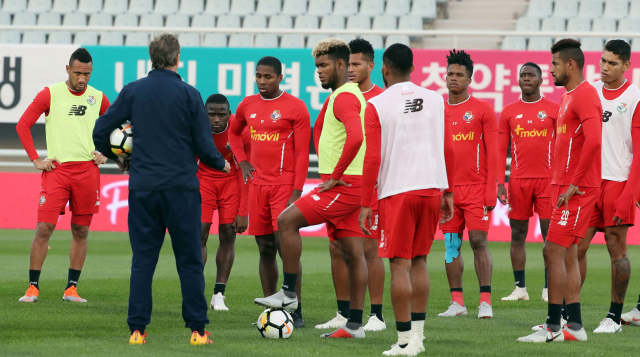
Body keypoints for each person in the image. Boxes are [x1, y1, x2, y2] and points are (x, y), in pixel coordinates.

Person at [93, 33, 230, 346]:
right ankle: (198, 330)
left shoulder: (133, 91)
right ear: (178, 57)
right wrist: (220, 163)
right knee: (190, 261)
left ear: (150, 57)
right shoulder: (189, 94)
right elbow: (203, 144)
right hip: (182, 189)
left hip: (143, 188)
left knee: (143, 261)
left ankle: (137, 331)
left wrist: (118, 158)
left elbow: (101, 130)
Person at [255, 37, 370, 339]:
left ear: (342, 65)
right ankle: (355, 325)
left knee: (285, 221)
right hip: (351, 184)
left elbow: (357, 137)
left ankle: (289, 293)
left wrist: (336, 175)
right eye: (317, 66)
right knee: (352, 253)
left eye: (324, 65)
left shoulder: (344, 96)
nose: (319, 71)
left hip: (343, 185)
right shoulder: (346, 95)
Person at [359, 43, 456, 356]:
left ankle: (403, 342)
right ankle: (417, 337)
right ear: (413, 68)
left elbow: (372, 157)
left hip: (397, 192)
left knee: (399, 265)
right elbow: (449, 149)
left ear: (384, 69)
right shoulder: (435, 99)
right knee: (419, 262)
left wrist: (364, 202)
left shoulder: (377, 104)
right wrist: (448, 190)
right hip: (430, 189)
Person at [518, 38, 602, 343]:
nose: (549, 69)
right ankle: (574, 326)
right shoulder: (569, 96)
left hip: (576, 189)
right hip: (563, 186)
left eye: (554, 64)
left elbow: (594, 141)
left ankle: (553, 327)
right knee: (566, 255)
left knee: (552, 250)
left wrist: (575, 183)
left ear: (570, 64)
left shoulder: (586, 95)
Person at [16, 48, 110, 304]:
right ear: (68, 70)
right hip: (57, 171)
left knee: (81, 230)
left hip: (87, 172)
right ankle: (32, 287)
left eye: (87, 74)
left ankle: (71, 289)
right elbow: (23, 124)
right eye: (78, 73)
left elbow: (117, 128)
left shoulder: (98, 98)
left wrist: (105, 152)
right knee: (44, 227)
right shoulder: (51, 93)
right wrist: (36, 159)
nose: (82, 79)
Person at [228, 56, 310, 327]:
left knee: (285, 247)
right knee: (264, 248)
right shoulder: (248, 104)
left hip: (284, 185)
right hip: (257, 186)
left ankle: (294, 309)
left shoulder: (295, 107)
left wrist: (297, 189)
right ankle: (273, 311)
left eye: (268, 77)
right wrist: (241, 161)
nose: (262, 81)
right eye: (258, 76)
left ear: (280, 77)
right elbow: (234, 132)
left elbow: (301, 153)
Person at [314, 38, 387, 332]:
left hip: (374, 183)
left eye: (358, 64)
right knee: (337, 248)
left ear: (371, 65)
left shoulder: (381, 98)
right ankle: (344, 313)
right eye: (351, 63)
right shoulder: (341, 96)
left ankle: (377, 316)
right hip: (345, 182)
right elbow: (321, 130)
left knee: (370, 248)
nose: (353, 69)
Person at [577, 40, 640, 333]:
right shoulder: (588, 91)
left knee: (616, 248)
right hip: (587, 183)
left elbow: (638, 151)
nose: (604, 67)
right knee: (575, 248)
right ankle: (568, 315)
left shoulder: (635, 98)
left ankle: (613, 317)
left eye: (612, 63)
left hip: (618, 181)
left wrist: (630, 193)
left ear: (626, 66)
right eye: (603, 61)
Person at [438, 49, 497, 319]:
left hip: (475, 188)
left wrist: (491, 188)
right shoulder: (437, 109)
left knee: (478, 241)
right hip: (446, 191)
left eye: (459, 74)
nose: (453, 78)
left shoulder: (483, 110)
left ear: (470, 79)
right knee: (451, 244)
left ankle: (485, 301)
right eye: (450, 73)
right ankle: (457, 302)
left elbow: (493, 152)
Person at [497, 62, 559, 302]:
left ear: (541, 80)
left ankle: (548, 287)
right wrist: (500, 182)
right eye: (522, 74)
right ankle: (520, 288)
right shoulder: (509, 111)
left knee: (549, 236)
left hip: (547, 181)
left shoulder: (554, 108)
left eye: (531, 75)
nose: (526, 78)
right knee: (517, 235)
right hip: (519, 181)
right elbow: (501, 148)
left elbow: (564, 146)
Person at [198, 94, 251, 311]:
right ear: (204, 114)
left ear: (230, 115)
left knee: (228, 235)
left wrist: (244, 210)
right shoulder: (196, 129)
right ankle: (195, 290)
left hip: (232, 182)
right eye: (211, 114)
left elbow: (247, 170)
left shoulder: (241, 132)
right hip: (203, 180)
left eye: (221, 114)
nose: (216, 119)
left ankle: (219, 294)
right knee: (199, 233)